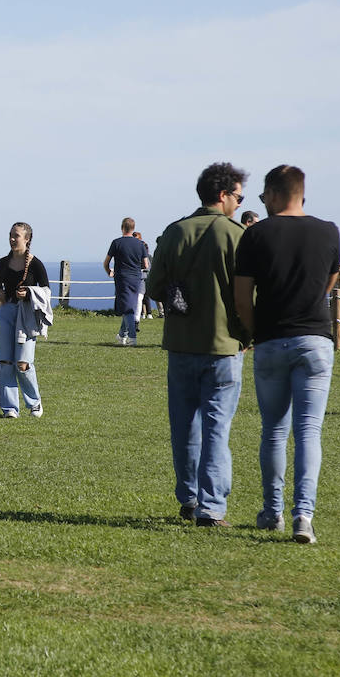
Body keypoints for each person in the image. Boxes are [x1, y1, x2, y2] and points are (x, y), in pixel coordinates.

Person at [234, 164, 340, 545]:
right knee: (309, 430)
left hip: (272, 340)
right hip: (315, 339)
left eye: (263, 196)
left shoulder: (256, 234)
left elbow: (243, 295)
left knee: (274, 431)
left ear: (275, 194)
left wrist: (251, 331)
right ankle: (304, 515)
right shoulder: (329, 231)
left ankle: (271, 511)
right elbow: (329, 282)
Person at [146, 161, 251, 527]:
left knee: (184, 428)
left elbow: (154, 287)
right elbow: (247, 295)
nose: (240, 203)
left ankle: (188, 498)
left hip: (181, 343)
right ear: (223, 195)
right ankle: (212, 506)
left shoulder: (174, 232)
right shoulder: (235, 234)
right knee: (217, 428)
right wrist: (247, 334)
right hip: (224, 347)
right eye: (238, 196)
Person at [0, 223, 52, 418]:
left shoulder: (36, 264)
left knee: (23, 363)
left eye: (16, 236)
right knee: (5, 361)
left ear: (27, 239)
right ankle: (10, 408)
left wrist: (28, 293)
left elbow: (46, 291)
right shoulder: (2, 262)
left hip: (26, 314)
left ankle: (34, 403)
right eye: (10, 235)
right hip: (6, 312)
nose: (12, 239)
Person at [104, 217, 149, 346]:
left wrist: (109, 271)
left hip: (122, 278)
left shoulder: (116, 243)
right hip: (136, 278)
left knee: (127, 308)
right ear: (133, 228)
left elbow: (106, 262)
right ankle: (122, 335)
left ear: (122, 228)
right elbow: (145, 264)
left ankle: (132, 337)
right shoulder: (140, 244)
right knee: (130, 306)